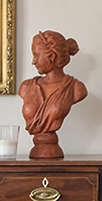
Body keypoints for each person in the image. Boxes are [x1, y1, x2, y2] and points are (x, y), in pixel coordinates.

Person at [18, 30, 88, 158]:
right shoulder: (26, 87)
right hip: (36, 152)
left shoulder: (76, 89)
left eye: (36, 55)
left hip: (54, 151)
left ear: (51, 56)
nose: (33, 61)